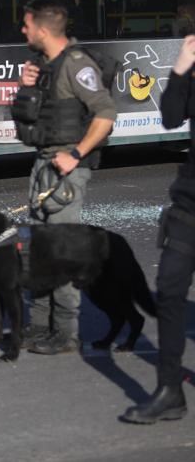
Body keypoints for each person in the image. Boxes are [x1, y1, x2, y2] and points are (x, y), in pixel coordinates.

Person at [13, 0, 117, 355]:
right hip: (43, 166)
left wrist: (75, 154)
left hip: (65, 174)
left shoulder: (76, 65)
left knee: (61, 252)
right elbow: (32, 114)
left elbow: (105, 113)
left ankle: (67, 333)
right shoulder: (44, 65)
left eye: (27, 25)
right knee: (39, 250)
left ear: (42, 29)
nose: (23, 31)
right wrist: (26, 85)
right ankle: (41, 325)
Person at [121, 35, 195, 424]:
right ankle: (170, 391)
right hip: (189, 207)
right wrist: (180, 69)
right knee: (168, 293)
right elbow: (169, 118)